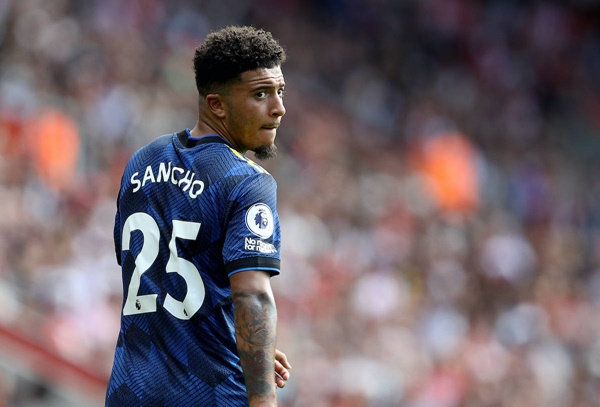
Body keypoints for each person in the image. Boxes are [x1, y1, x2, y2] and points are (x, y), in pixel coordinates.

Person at [105, 25, 291, 406]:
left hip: (130, 390)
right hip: (209, 394)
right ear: (217, 104)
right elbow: (252, 295)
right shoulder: (248, 182)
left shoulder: (141, 162)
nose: (278, 108)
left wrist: (246, 344)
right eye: (260, 94)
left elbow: (154, 279)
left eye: (279, 91)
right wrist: (263, 399)